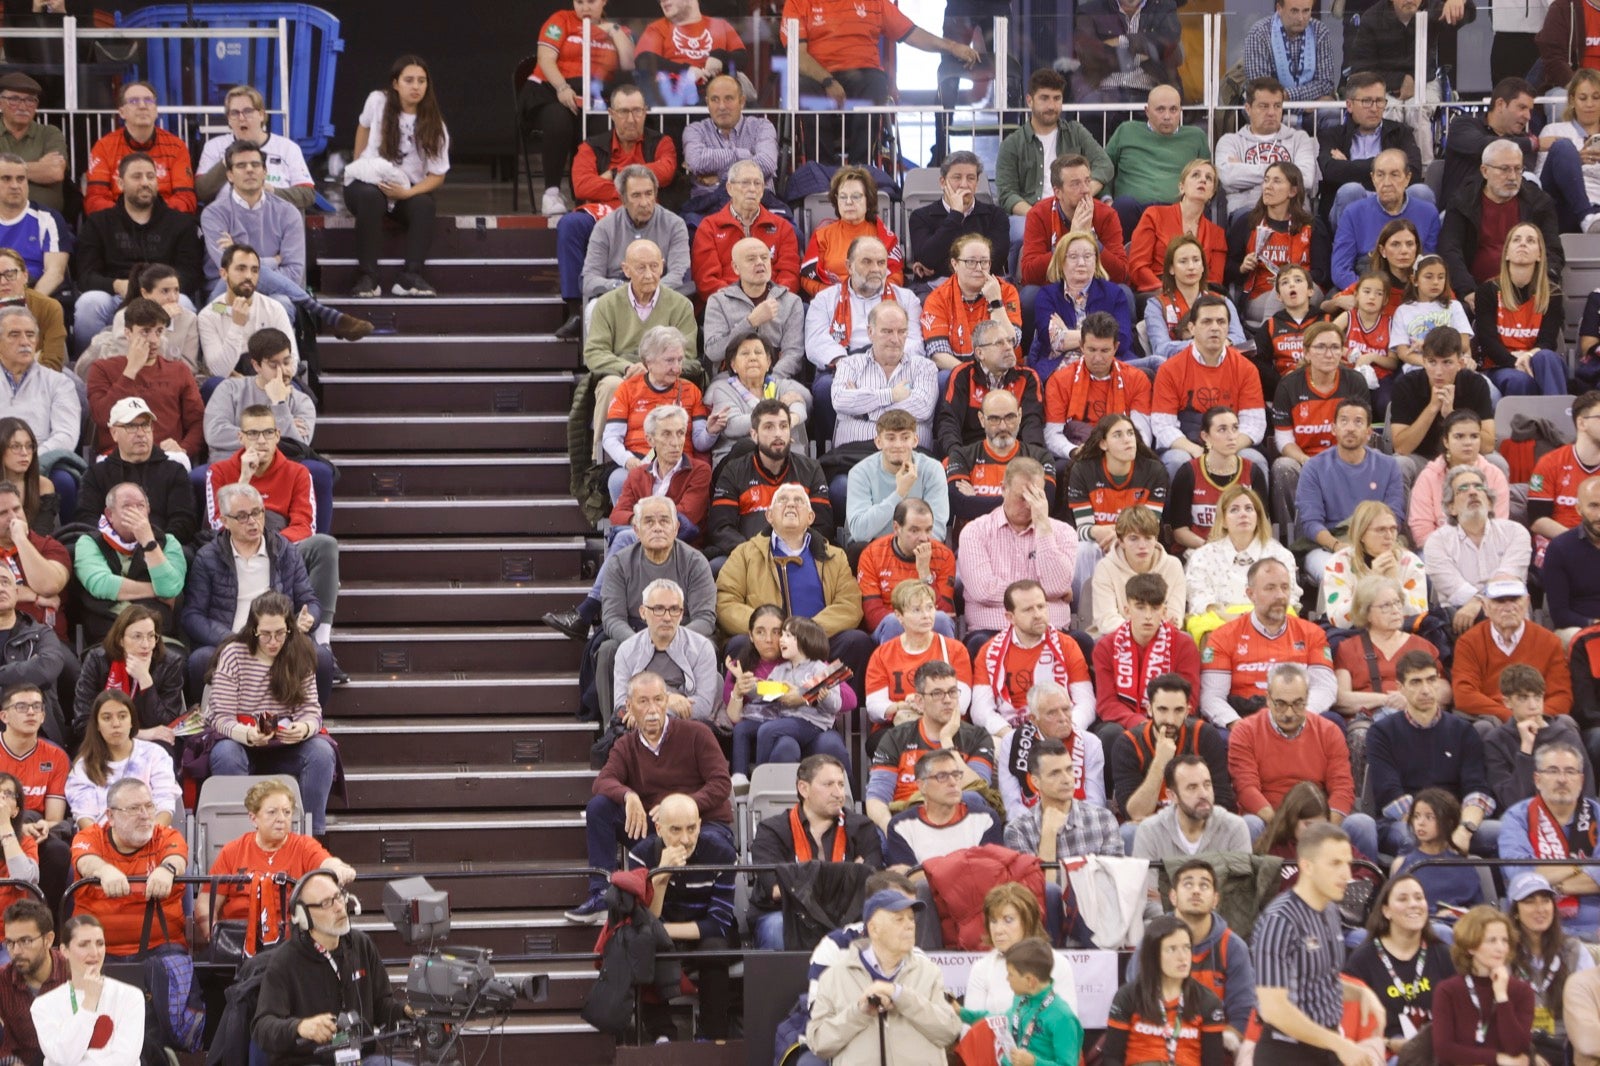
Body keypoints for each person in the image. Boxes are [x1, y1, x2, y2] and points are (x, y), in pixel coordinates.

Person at [569, 671, 732, 923]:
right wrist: (628, 795)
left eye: (658, 699)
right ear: (629, 707)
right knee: (600, 807)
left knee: (710, 842)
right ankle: (602, 893)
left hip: (701, 825)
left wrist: (681, 808)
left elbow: (721, 783)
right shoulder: (626, 745)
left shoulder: (697, 734)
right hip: (656, 829)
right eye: (643, 701)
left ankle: (710, 919)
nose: (652, 709)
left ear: (667, 701)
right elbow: (603, 781)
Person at [200, 141, 371, 341]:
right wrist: (272, 261)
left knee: (282, 303)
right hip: (221, 297)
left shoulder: (287, 212)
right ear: (229, 175)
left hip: (273, 294)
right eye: (241, 165)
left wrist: (242, 259)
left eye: (255, 165)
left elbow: (294, 273)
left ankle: (282, 366)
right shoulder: (213, 214)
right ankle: (324, 313)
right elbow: (232, 274)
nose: (249, 170)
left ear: (264, 172)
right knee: (237, 280)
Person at [779, 0, 978, 167]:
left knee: (875, 83)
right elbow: (797, 55)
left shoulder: (874, 2)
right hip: (819, 75)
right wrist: (828, 81)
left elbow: (911, 33)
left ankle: (861, 171)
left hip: (864, 74)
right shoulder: (798, 2)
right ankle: (821, 173)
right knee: (805, 89)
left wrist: (951, 47)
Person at [203, 591, 337, 838]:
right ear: (253, 629)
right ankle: (240, 837)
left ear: (289, 629)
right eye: (265, 634)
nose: (273, 641)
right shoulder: (234, 653)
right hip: (243, 744)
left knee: (321, 751)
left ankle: (312, 836)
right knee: (225, 753)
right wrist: (246, 734)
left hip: (285, 745)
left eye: (280, 633)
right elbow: (219, 716)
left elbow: (311, 712)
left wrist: (303, 729)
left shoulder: (300, 654)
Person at [1253, 822, 1386, 1066]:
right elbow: (1274, 1009)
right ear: (1307, 866)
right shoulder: (1279, 920)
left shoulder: (1331, 911)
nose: (1347, 874)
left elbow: (1319, 980)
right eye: (1335, 864)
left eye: (1348, 863)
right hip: (1286, 1053)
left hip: (1325, 1048)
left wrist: (1361, 992)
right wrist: (1339, 1044)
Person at [183, 482, 327, 704]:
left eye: (257, 512)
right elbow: (193, 615)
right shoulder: (208, 557)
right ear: (225, 521)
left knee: (322, 657)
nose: (252, 521)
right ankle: (204, 725)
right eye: (242, 516)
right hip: (230, 638)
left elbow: (309, 600)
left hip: (278, 636)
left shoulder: (284, 550)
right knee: (200, 660)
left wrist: (310, 617)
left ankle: (313, 721)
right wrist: (230, 639)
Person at [251, 869, 411, 1066]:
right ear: (304, 916)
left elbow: (381, 1007)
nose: (339, 907)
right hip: (307, 1061)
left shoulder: (361, 945)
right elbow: (262, 1028)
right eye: (326, 903)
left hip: (359, 1060)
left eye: (339, 897)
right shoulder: (284, 961)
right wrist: (300, 1027)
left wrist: (407, 1011)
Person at [554, 84, 678, 337]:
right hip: (602, 213)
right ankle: (576, 309)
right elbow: (581, 185)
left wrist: (614, 175)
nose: (631, 119)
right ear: (611, 113)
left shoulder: (662, 142)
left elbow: (665, 172)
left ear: (645, 111)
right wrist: (639, 180)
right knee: (569, 224)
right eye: (623, 112)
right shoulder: (591, 146)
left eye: (637, 111)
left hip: (646, 213)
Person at [716, 482, 872, 683]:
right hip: (767, 642)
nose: (790, 505)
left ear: (811, 517)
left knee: (856, 642)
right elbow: (725, 602)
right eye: (782, 500)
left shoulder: (835, 556)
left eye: (798, 501)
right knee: (739, 644)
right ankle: (754, 710)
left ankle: (834, 707)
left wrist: (806, 632)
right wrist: (769, 630)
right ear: (769, 516)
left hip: (817, 641)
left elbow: (850, 605)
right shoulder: (744, 554)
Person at [1228, 664, 1378, 858]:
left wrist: (1320, 828)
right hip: (1271, 821)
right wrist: (1284, 826)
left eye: (1298, 703)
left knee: (1363, 825)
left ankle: (1364, 885)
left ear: (1307, 698)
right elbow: (1246, 789)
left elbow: (1342, 788)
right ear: (1268, 699)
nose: (1289, 713)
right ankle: (1250, 888)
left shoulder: (1329, 731)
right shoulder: (1245, 731)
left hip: (1318, 820)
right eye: (1280, 703)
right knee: (1249, 825)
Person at [194, 777, 355, 953]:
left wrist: (338, 868)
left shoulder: (303, 846)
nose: (281, 819)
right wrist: (215, 937)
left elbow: (327, 862)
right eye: (272, 812)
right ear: (253, 818)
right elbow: (206, 901)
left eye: (286, 812)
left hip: (292, 943)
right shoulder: (232, 851)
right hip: (238, 942)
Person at [625, 793, 738, 1042]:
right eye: (675, 830)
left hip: (705, 931)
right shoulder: (641, 855)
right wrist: (661, 876)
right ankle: (663, 1035)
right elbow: (645, 919)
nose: (685, 839)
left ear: (700, 824)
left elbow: (717, 923)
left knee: (714, 948)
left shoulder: (722, 854)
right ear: (659, 828)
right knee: (641, 943)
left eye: (691, 828)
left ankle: (714, 1037)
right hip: (662, 930)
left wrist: (663, 930)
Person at [805, 889, 961, 1064]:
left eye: (911, 918)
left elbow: (949, 1031)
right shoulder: (835, 977)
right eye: (899, 919)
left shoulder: (929, 971)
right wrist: (858, 1012)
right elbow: (818, 1043)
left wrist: (901, 996)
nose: (910, 925)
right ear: (873, 929)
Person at [749, 754, 881, 951]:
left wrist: (798, 878)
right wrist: (848, 874)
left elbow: (872, 883)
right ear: (804, 788)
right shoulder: (772, 830)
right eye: (828, 785)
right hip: (788, 915)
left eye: (841, 784)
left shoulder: (862, 827)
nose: (839, 794)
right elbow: (775, 890)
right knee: (775, 928)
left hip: (847, 915)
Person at [71, 153, 203, 352]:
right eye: (137, 177)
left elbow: (191, 274)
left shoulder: (180, 223)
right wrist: (117, 285)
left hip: (163, 294)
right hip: (114, 294)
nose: (145, 182)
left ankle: (175, 368)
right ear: (120, 183)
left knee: (183, 302)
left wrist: (161, 290)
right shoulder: (99, 222)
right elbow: (85, 275)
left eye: (151, 177)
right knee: (89, 303)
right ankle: (91, 368)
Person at [1368, 650, 1496, 854]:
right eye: (1416, 682)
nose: (1426, 689)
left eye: (1431, 680)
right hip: (1407, 822)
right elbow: (1390, 795)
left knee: (1503, 833)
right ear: (1400, 688)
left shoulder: (1463, 730)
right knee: (1411, 840)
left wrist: (1464, 829)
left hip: (1457, 820)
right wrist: (1436, 829)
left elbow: (1477, 791)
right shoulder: (1382, 732)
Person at [345, 55, 449, 298]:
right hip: (366, 184)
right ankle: (367, 277)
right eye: (409, 80)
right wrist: (359, 161)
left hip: (404, 191)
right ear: (395, 83)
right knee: (371, 198)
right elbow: (363, 126)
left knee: (424, 204)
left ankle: (410, 276)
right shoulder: (378, 100)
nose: (416, 86)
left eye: (421, 81)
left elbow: (437, 175)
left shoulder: (435, 125)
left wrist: (407, 193)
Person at [805, 241, 925, 446]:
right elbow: (815, 342)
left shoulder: (906, 298)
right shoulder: (825, 299)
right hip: (843, 362)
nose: (876, 269)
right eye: (867, 262)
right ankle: (832, 449)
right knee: (826, 388)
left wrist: (879, 368)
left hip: (893, 363)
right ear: (849, 266)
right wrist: (850, 368)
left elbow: (914, 343)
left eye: (881, 262)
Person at [1200, 561, 1337, 728]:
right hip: (1244, 718)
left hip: (1299, 716)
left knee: (1333, 723)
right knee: (1215, 736)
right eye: (1270, 588)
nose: (1280, 595)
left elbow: (1324, 688)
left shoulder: (1312, 633)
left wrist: (1299, 718)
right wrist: (1237, 726)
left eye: (1285, 587)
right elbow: (1212, 696)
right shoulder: (1223, 636)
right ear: (1251, 594)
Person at [957, 460, 1078, 644]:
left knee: (1082, 641)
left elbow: (1058, 584)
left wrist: (1043, 527)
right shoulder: (975, 531)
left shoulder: (1063, 532)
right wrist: (1045, 594)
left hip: (1051, 630)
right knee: (978, 643)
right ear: (1003, 489)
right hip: (993, 631)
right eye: (1022, 497)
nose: (1030, 505)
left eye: (1036, 497)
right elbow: (983, 590)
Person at [866, 660, 995, 833]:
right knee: (875, 834)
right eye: (937, 694)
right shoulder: (895, 738)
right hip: (907, 823)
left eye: (952, 692)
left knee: (972, 799)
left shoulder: (978, 737)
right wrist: (892, 831)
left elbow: (979, 789)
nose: (948, 700)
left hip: (958, 826)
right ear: (919, 701)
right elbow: (876, 799)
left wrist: (947, 740)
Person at [1348, 0, 1477, 168]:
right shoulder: (1372, 17)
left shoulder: (1433, 8)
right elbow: (1361, 67)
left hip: (1426, 81)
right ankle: (1386, 170)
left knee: (1417, 110)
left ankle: (1424, 172)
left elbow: (1469, 15)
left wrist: (1459, 1)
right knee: (1389, 112)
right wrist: (1399, 81)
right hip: (1383, 83)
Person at [1150, 295, 1268, 477]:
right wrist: (1195, 450)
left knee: (1254, 460)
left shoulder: (1247, 369)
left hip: (1232, 442)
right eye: (1206, 322)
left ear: (1228, 327)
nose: (1215, 328)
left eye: (1221, 322)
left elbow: (1255, 424)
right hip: (1187, 442)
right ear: (1192, 328)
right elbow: (1163, 426)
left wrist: (1225, 448)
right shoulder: (1169, 369)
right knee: (1176, 460)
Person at [68, 779, 186, 958]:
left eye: (149, 806)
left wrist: (167, 869)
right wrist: (104, 870)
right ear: (111, 816)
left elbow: (177, 858)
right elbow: (85, 861)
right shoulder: (90, 836)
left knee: (177, 972)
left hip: (161, 946)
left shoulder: (166, 835)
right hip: (96, 949)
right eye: (133, 809)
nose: (145, 815)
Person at [996, 68, 1115, 245]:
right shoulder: (1012, 143)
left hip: (1074, 209)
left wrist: (1081, 194)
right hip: (1030, 213)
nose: (1051, 106)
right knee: (1023, 234)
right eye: (1044, 98)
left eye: (1057, 98)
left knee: (1097, 241)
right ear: (1030, 100)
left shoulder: (1075, 132)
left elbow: (1105, 165)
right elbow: (1007, 194)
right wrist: (1039, 215)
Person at [726, 614, 846, 784]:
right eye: (782, 635)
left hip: (812, 723)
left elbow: (835, 705)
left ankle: (761, 781)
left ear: (805, 640)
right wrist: (743, 680)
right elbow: (765, 693)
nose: (781, 640)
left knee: (767, 730)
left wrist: (822, 698)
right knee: (742, 729)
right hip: (785, 720)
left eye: (788, 636)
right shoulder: (781, 670)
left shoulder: (819, 669)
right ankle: (739, 778)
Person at [1342, 874, 1456, 1054]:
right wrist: (1388, 1043)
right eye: (1403, 899)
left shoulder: (1443, 954)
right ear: (1386, 911)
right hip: (1384, 1054)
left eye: (1419, 898)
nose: (1413, 904)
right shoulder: (1363, 960)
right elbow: (1350, 1028)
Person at [1439, 140, 1563, 305]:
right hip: (1474, 292)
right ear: (1485, 171)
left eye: (1518, 169)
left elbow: (1553, 252)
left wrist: (1539, 287)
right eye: (1504, 169)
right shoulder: (1462, 202)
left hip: (1528, 292)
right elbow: (1450, 250)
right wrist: (1467, 291)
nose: (1512, 176)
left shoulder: (1539, 202)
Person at [705, 399, 833, 558]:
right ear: (754, 434)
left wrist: (790, 550)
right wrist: (753, 553)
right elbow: (721, 527)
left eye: (783, 426)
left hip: (799, 556)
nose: (778, 433)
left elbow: (823, 526)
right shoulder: (733, 471)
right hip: (748, 558)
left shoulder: (811, 469)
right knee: (717, 565)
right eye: (769, 427)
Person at [1498, 740, 1600, 939]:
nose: (1562, 779)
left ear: (1580, 780)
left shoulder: (1597, 813)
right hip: (1535, 928)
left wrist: (1552, 886)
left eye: (1570, 772)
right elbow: (1520, 874)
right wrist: (1580, 866)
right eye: (1553, 771)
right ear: (1537, 779)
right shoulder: (1517, 817)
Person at [597, 327, 711, 503]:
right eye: (669, 361)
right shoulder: (627, 390)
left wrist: (712, 431)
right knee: (618, 479)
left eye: (680, 360)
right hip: (638, 462)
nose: (677, 368)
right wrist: (629, 461)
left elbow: (700, 442)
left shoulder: (691, 391)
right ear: (648, 362)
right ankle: (626, 529)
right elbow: (611, 438)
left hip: (679, 464)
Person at [84, 300, 203, 461]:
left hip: (166, 457)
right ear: (128, 333)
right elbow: (102, 417)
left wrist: (184, 448)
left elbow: (198, 422)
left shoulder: (179, 370)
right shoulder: (102, 368)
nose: (154, 340)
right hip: (117, 457)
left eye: (159, 331)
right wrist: (131, 370)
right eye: (145, 332)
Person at [1104, 915, 1227, 1066]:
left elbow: (1213, 1062)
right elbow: (1111, 1059)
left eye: (1187, 948)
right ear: (1153, 955)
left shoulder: (1207, 1001)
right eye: (1172, 949)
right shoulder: (1129, 996)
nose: (1183, 957)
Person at [1455, 577, 1574, 731]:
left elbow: (1562, 695)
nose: (1508, 607)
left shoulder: (1549, 641)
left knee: (1565, 723)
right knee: (1482, 728)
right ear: (1485, 606)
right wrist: (1511, 718)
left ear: (1527, 602)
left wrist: (1537, 718)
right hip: (1494, 721)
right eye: (1500, 601)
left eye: (1515, 599)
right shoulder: (1469, 642)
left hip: (1540, 718)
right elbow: (1464, 694)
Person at [928, 268, 1032, 442]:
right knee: (945, 378)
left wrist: (996, 302)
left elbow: (1014, 341)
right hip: (965, 372)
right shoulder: (939, 296)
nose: (978, 268)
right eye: (971, 262)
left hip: (1007, 371)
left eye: (984, 262)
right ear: (955, 264)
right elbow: (938, 354)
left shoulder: (1005, 290)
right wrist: (972, 374)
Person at [1094, 571, 1203, 732]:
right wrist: (1139, 723)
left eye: (1155, 608)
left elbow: (1189, 700)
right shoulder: (1106, 646)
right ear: (1127, 610)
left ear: (1164, 612)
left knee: (1201, 731)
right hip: (1124, 725)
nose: (1148, 616)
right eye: (1140, 607)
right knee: (1109, 732)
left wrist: (1161, 721)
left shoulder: (1184, 644)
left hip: (1172, 721)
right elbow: (1106, 702)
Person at [1389, 326, 1498, 484]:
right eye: (1432, 362)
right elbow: (1401, 448)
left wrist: (1453, 417)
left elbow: (1488, 446)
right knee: (1399, 465)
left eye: (1447, 363)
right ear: (1424, 361)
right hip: (1422, 459)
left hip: (1466, 459)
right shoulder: (1406, 385)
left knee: (1497, 462)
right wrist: (1432, 408)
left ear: (1460, 363)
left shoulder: (1476, 384)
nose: (1438, 372)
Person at [28, 914, 142, 1065]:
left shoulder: (131, 996)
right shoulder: (43, 1006)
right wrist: (89, 1002)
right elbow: (63, 1057)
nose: (94, 953)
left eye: (100, 943)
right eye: (84, 945)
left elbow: (124, 1059)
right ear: (64, 950)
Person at [1183, 485, 1296, 637]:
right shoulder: (1202, 556)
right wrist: (1229, 618)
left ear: (1258, 517)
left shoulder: (1280, 555)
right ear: (1223, 520)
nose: (1243, 514)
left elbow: (1290, 597)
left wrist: (1256, 618)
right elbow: (1199, 600)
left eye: (1249, 508)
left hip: (1269, 618)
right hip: (1221, 621)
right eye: (1234, 510)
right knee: (1202, 623)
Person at [1505, 872, 1594, 1063]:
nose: (1540, 909)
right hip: (1518, 1046)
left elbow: (1590, 1007)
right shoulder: (1503, 952)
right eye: (1529, 901)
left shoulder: (1574, 951)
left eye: (1545, 900)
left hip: (1567, 1043)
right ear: (1515, 911)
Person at [1472, 222, 1569, 397]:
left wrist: (1528, 357)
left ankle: (1557, 420)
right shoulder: (1487, 291)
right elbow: (1488, 342)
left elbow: (1547, 342)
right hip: (1500, 365)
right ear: (1507, 253)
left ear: (1540, 254)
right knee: (1518, 380)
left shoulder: (1552, 294)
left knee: (1547, 356)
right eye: (1516, 240)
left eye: (1531, 240)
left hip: (1536, 361)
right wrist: (1515, 361)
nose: (1523, 243)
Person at [1027, 231, 1139, 382]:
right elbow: (1049, 339)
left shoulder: (1114, 293)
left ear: (1096, 261)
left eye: (1087, 256)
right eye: (1073, 257)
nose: (1081, 263)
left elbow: (1123, 340)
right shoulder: (1047, 295)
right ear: (1061, 261)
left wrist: (1066, 334)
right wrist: (1101, 338)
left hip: (1109, 362)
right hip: (1060, 365)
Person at [1432, 905, 1535, 1066]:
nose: (1500, 948)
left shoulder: (1521, 991)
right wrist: (1496, 1059)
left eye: (1504, 940)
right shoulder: (1448, 991)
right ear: (1471, 946)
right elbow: (1444, 1050)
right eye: (1492, 940)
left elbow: (1516, 1048)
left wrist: (1502, 997)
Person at [1319, 76, 1430, 226]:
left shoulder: (1400, 131)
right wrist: (1392, 170)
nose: (1374, 108)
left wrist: (1349, 166)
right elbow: (1330, 171)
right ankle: (1350, 248)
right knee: (1351, 190)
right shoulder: (1333, 135)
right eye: (1366, 101)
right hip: (1350, 212)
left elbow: (1414, 171)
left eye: (1379, 101)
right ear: (1350, 105)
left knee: (1421, 192)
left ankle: (1414, 248)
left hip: (1394, 208)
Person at [1104, 86, 1213, 239]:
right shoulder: (1126, 131)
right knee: (1123, 205)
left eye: (1173, 109)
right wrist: (1107, 200)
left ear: (1180, 111)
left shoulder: (1195, 137)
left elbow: (1209, 176)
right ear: (1147, 111)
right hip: (1132, 209)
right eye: (1160, 110)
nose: (1167, 116)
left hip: (1178, 209)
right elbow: (1103, 168)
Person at [1226, 162, 1323, 330]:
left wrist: (1292, 279)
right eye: (1266, 180)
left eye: (1277, 181)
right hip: (1260, 296)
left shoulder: (1312, 226)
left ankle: (1266, 342)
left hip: (1305, 293)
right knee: (1279, 294)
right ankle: (1273, 340)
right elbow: (1226, 269)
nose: (1268, 186)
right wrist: (1242, 268)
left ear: (1293, 191)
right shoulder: (1247, 223)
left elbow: (1323, 274)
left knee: (1288, 288)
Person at [1332, 576, 1447, 718]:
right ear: (1366, 613)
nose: (1395, 610)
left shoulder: (1422, 646)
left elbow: (1445, 690)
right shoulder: (1348, 648)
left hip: (1415, 717)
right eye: (1385, 606)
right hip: (1368, 722)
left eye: (1397, 603)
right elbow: (1341, 699)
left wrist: (1411, 699)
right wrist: (1387, 700)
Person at [1044, 312, 1154, 460]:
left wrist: (1116, 453)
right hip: (1079, 455)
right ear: (1081, 346)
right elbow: (1052, 434)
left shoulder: (1137, 379)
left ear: (1115, 347)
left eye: (1105, 351)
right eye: (1092, 350)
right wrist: (1074, 451)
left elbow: (1141, 434)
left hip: (1123, 454)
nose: (1097, 358)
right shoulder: (1059, 381)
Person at [611, 578, 719, 727]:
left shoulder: (701, 647)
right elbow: (621, 704)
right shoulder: (627, 650)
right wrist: (667, 700)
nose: (667, 617)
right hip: (638, 730)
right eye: (659, 609)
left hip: (686, 728)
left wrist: (654, 711)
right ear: (643, 612)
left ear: (681, 614)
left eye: (674, 609)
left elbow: (703, 706)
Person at [1483, 665, 1593, 812]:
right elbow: (1511, 802)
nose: (1533, 706)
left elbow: (1587, 791)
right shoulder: (1495, 741)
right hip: (1520, 820)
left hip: (1568, 818)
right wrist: (1526, 750)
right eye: (1523, 698)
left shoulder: (1566, 736)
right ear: (1507, 702)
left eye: (1538, 697)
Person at [65, 691, 178, 831]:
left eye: (122, 716)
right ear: (97, 725)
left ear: (132, 721)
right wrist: (112, 846)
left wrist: (146, 838)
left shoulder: (155, 754)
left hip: (151, 837)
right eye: (107, 718)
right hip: (102, 844)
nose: (116, 724)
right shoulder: (83, 766)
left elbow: (165, 805)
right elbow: (84, 817)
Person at [580, 167, 693, 307]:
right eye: (636, 195)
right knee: (593, 308)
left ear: (656, 194)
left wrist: (649, 291)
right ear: (623, 199)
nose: (644, 203)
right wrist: (625, 289)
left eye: (649, 194)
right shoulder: (604, 228)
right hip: (616, 300)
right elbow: (589, 280)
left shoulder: (675, 225)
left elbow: (679, 275)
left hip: (660, 299)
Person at [1164, 406, 1270, 554]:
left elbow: (1262, 525)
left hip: (1244, 550)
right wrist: (1211, 548)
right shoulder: (1188, 473)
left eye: (1235, 428)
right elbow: (1180, 531)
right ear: (1205, 436)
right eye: (1222, 429)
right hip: (1200, 549)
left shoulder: (1253, 472)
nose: (1232, 436)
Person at [945, 387, 1056, 527]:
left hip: (1026, 541)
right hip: (975, 542)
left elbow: (1046, 503)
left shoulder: (1040, 457)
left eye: (1010, 417)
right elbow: (960, 505)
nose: (1003, 426)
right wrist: (1021, 500)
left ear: (1020, 415)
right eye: (994, 419)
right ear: (981, 419)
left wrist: (977, 499)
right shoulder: (962, 456)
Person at [1330, 147, 1439, 289]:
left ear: (1407, 178)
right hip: (1364, 285)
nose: (1387, 182)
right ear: (1373, 178)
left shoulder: (1428, 213)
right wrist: (1370, 293)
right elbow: (1340, 270)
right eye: (1380, 175)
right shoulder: (1353, 212)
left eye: (1394, 175)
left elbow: (1429, 267)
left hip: (1410, 289)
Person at [961, 886, 1080, 1017]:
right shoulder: (981, 968)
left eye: (1008, 920)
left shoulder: (1058, 964)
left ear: (1027, 921)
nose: (998, 930)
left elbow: (1067, 1028)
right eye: (993, 921)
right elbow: (970, 1030)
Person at [997, 680, 1107, 819]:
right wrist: (1042, 826)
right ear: (1033, 719)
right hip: (1029, 828)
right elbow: (1011, 805)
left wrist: (1065, 825)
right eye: (1052, 713)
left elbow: (1095, 803)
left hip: (1080, 827)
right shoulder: (1013, 742)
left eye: (1066, 709)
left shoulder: (1090, 743)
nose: (1063, 718)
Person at [691, 159, 799, 301]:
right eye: (745, 183)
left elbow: (790, 275)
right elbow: (706, 280)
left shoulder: (782, 227)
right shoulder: (709, 227)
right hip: (727, 307)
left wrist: (769, 300)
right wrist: (740, 302)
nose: (752, 189)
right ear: (729, 188)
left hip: (773, 304)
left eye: (757, 183)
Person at [195, 84, 316, 209]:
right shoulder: (214, 147)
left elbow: (308, 195)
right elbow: (201, 192)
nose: (241, 118)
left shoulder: (288, 148)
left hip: (276, 222)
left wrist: (272, 192)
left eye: (247, 111)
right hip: (229, 223)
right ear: (229, 119)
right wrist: (226, 162)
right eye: (234, 113)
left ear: (261, 114)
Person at [1019, 153, 1130, 291]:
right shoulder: (1038, 214)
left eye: (1087, 181)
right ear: (1058, 192)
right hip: (1054, 288)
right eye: (1075, 184)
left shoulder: (1107, 214)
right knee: (1029, 295)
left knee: (1124, 292)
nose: (1085, 190)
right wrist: (1069, 240)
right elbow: (1029, 275)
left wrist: (1092, 239)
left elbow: (1121, 274)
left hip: (1095, 287)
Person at [81, 82, 195, 215]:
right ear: (122, 112)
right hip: (117, 223)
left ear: (156, 110)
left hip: (165, 222)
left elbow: (186, 199)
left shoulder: (177, 147)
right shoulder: (104, 147)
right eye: (134, 101)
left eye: (148, 100)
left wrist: (152, 216)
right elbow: (95, 200)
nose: (142, 106)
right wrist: (129, 216)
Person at [680, 75, 780, 225]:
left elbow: (766, 163)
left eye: (728, 99)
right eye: (715, 100)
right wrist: (746, 155)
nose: (721, 106)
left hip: (758, 203)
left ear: (742, 102)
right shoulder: (695, 130)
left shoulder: (761, 127)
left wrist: (720, 178)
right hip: (708, 205)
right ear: (707, 103)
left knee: (792, 232)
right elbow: (696, 161)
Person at [1002, 737, 1123, 861]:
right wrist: (1048, 834)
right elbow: (1038, 881)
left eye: (1069, 769)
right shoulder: (1018, 830)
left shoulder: (1103, 819)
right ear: (1035, 782)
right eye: (1055, 773)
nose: (1066, 779)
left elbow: (1113, 878)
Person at [1216, 78, 1320, 220]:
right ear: (1248, 109)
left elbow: (1306, 180)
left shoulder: (1299, 139)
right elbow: (1228, 178)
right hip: (1247, 212)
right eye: (1264, 106)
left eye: (1277, 106)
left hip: (1292, 212)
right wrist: (1287, 176)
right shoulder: (1230, 141)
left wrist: (1244, 169)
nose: (1271, 112)